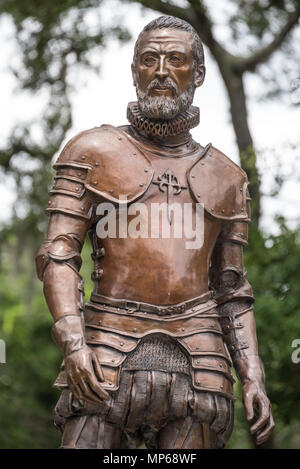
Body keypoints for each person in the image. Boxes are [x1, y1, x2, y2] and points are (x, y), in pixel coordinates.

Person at [36, 15, 274, 449]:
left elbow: (232, 289)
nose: (161, 70)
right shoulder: (91, 151)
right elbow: (58, 255)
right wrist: (73, 343)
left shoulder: (227, 176)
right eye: (150, 59)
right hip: (105, 342)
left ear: (198, 73)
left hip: (201, 357)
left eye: (176, 59)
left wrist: (253, 376)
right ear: (134, 72)